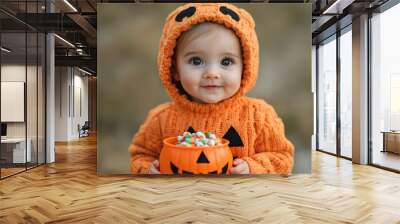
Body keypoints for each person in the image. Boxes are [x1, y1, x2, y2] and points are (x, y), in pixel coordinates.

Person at [128, 3, 294, 175]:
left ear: (245, 67)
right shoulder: (160, 120)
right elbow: (140, 155)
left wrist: (254, 166)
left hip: (237, 198)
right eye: (196, 61)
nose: (212, 73)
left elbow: (282, 157)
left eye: (226, 62)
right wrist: (146, 168)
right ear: (174, 69)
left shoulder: (259, 116)